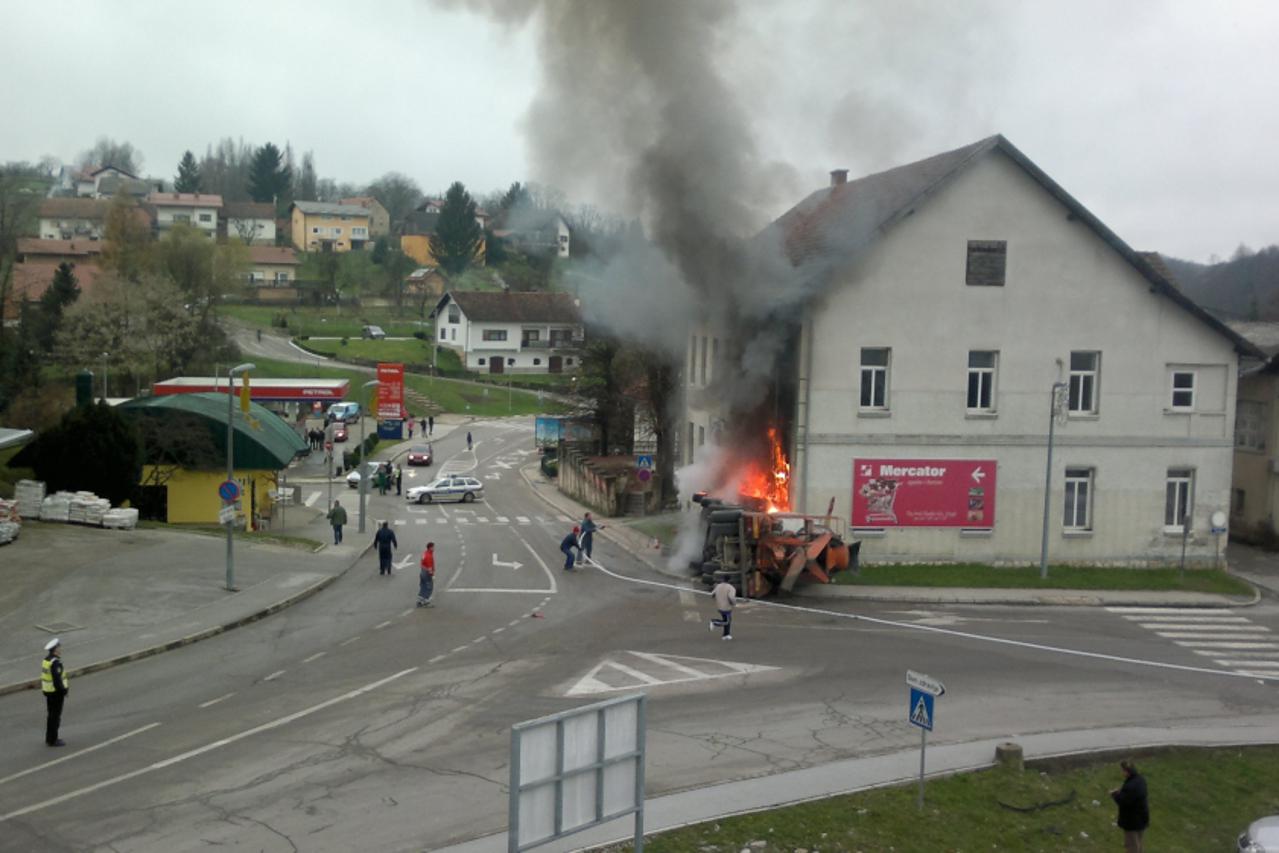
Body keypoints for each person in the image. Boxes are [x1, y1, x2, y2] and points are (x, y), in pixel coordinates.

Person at [1110, 759, 1149, 852]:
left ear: (1127, 771)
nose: (1122, 773)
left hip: (1131, 822)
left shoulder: (1130, 785)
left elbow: (1123, 802)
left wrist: (1114, 794)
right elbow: (1132, 796)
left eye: (1123, 770)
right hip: (1141, 818)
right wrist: (1122, 792)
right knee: (1139, 844)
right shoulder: (1140, 780)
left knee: (1132, 847)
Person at [41, 637, 69, 746]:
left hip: (48, 692)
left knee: (51, 716)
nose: (60, 649)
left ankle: (49, 738)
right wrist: (64, 691)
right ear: (55, 649)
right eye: (59, 647)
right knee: (55, 717)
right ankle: (53, 739)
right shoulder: (55, 662)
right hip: (56, 693)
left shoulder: (46, 660)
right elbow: (57, 679)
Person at [417, 541, 436, 607]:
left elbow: (422, 562)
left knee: (423, 586)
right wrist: (432, 575)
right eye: (433, 547)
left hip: (422, 572)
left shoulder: (425, 553)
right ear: (430, 548)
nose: (434, 548)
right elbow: (429, 567)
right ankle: (426, 601)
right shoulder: (429, 556)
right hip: (427, 573)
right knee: (429, 587)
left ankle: (420, 600)